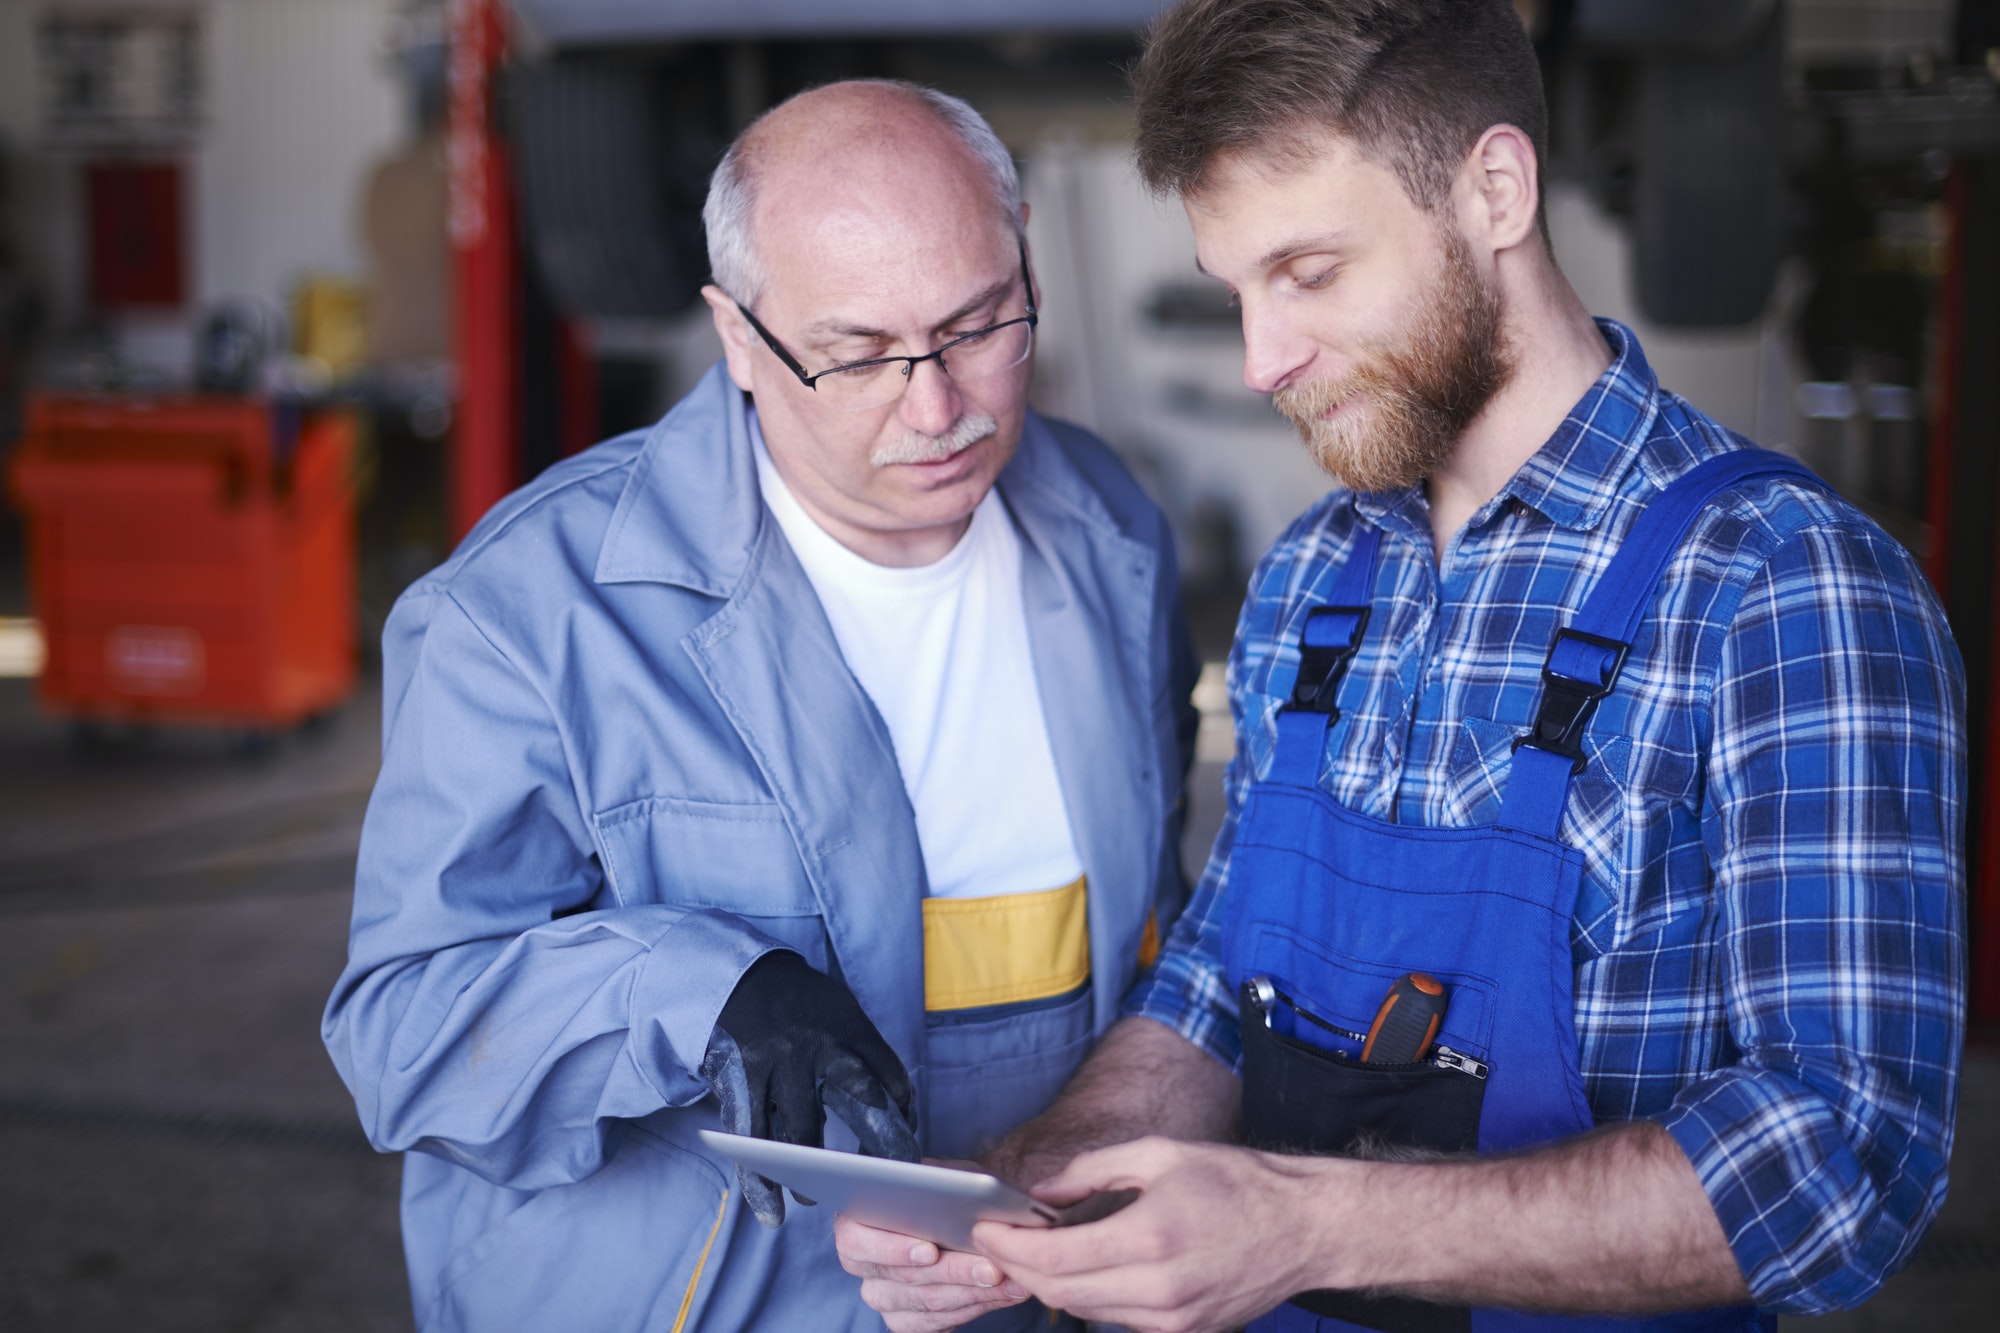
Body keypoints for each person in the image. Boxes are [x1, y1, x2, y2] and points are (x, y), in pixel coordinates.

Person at [837, 3, 1965, 1331]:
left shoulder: (1781, 587)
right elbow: (1216, 975)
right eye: (1237, 289)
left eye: (1308, 272)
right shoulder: (1317, 577)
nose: (1263, 359)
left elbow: (1845, 1159)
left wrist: (1305, 1228)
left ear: (1494, 187)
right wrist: (1018, 1192)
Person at [323, 79, 1197, 1333]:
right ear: (737, 337)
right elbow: (399, 1033)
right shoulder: (532, 611)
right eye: (854, 356)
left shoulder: (1107, 529)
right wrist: (693, 993)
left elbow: (1155, 930)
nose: (937, 405)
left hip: (1030, 1298)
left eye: (979, 325)